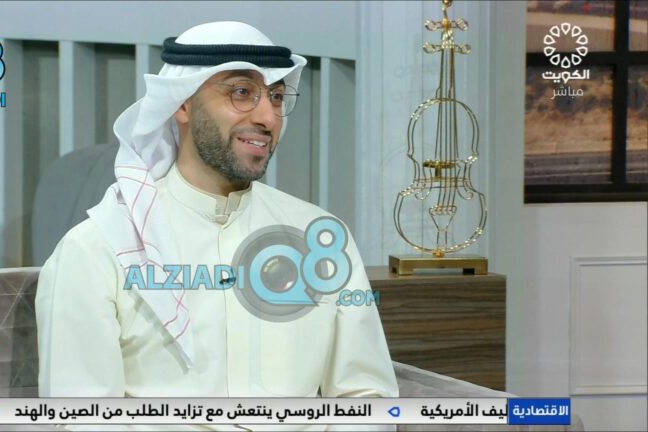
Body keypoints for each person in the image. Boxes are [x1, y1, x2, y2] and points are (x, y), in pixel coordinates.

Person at [35, 21, 398, 429]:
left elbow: (366, 398)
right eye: (241, 93)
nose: (268, 117)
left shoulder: (322, 237)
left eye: (276, 97)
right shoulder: (97, 250)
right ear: (182, 104)